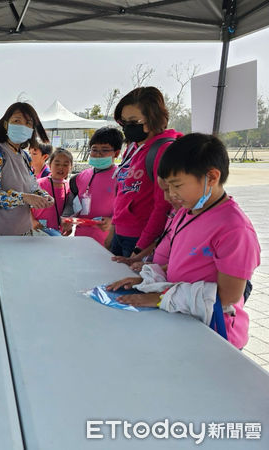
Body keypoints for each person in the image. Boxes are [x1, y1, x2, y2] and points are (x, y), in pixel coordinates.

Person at [109, 133, 261, 349]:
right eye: (167, 187)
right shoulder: (186, 212)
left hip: (215, 333)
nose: (169, 195)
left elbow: (227, 296)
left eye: (177, 186)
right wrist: (149, 280)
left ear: (212, 177)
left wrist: (162, 297)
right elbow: (184, 263)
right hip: (181, 317)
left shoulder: (234, 229)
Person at [111, 86, 182, 257]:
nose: (127, 128)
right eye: (123, 122)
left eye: (133, 122)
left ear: (153, 119)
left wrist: (142, 246)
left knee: (131, 282)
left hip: (140, 238)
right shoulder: (133, 147)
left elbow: (163, 205)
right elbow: (122, 191)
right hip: (120, 233)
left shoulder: (163, 150)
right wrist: (113, 230)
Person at [0, 102, 53, 236]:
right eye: (17, 121)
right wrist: (25, 198)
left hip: (21, 232)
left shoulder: (24, 156)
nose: (22, 126)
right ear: (6, 124)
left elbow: (31, 186)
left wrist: (43, 196)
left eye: (28, 123)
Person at [63, 127, 122, 247]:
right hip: (80, 240)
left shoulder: (121, 178)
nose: (98, 154)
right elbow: (71, 204)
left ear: (116, 153)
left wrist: (112, 222)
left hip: (108, 243)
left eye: (104, 150)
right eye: (94, 149)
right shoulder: (79, 177)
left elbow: (128, 210)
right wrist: (67, 219)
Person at [32, 148, 73, 232]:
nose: (61, 168)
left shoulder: (69, 186)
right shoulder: (38, 184)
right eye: (57, 164)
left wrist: (69, 225)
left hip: (58, 232)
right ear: (50, 165)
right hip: (38, 229)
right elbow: (24, 207)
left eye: (65, 165)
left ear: (71, 167)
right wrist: (32, 221)